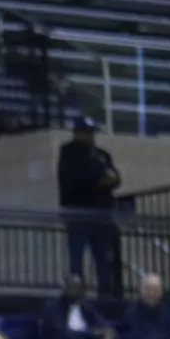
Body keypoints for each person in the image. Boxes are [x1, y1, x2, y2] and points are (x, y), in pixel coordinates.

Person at [57, 119, 120, 296]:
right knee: (77, 257)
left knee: (104, 258)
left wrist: (103, 180)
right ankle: (76, 293)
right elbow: (75, 180)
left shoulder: (101, 154)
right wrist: (99, 181)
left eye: (91, 133)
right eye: (85, 132)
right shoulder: (69, 153)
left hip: (101, 213)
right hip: (78, 213)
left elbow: (116, 177)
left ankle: (107, 294)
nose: (89, 137)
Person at [39, 273, 113, 339]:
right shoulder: (53, 307)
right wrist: (92, 333)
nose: (74, 290)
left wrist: (108, 331)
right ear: (65, 288)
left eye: (77, 287)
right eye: (71, 287)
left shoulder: (86, 306)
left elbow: (101, 321)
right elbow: (64, 333)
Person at [118, 273, 170, 339]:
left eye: (155, 289)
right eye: (148, 289)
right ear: (141, 290)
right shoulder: (131, 313)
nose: (151, 293)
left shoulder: (167, 312)